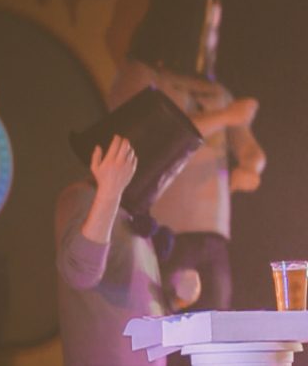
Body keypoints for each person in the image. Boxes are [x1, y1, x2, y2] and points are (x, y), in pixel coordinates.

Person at [108, 0, 266, 316]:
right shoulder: (145, 77)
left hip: (213, 231)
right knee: (164, 318)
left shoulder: (219, 94)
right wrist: (226, 116)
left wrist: (251, 166)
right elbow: (163, 128)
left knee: (216, 325)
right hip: (166, 228)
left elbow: (250, 147)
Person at [55, 88, 204, 365]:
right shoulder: (83, 196)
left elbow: (132, 310)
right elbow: (79, 272)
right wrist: (109, 193)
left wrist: (173, 297)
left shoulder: (131, 218)